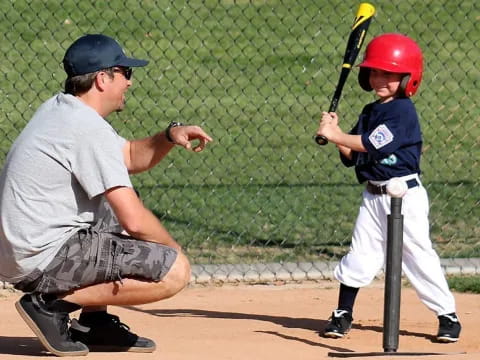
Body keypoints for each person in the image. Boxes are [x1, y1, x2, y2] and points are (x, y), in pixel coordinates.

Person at [0, 34, 212, 356]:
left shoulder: (62, 110)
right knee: (174, 272)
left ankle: (93, 324)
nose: (129, 82)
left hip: (24, 250)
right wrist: (172, 250)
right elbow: (134, 219)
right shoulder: (85, 127)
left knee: (112, 209)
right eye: (125, 72)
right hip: (40, 259)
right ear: (103, 79)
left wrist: (169, 136)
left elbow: (126, 156)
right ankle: (50, 306)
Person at [315, 33, 461, 342]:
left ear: (408, 78)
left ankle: (447, 315)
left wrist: (337, 135)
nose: (380, 79)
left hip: (405, 195)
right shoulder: (371, 111)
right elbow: (354, 153)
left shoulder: (403, 112)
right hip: (373, 195)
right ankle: (343, 313)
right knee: (360, 254)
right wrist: (335, 134)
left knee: (417, 255)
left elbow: (372, 144)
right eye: (375, 72)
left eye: (390, 74)